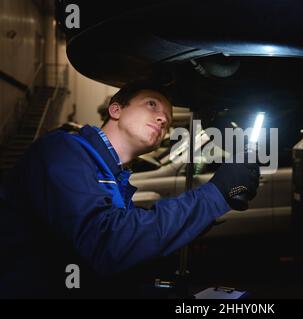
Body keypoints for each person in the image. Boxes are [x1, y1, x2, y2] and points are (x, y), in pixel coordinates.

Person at [0, 80, 260, 298]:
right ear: (116, 109)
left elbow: (110, 253)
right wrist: (214, 195)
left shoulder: (116, 180)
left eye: (168, 120)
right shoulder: (63, 151)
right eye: (152, 104)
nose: (162, 118)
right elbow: (105, 243)